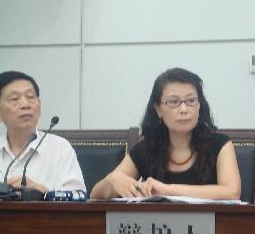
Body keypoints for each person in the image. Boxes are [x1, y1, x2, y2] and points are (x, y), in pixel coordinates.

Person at [90, 67, 241, 200]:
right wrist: (112, 179)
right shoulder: (146, 149)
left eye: (191, 100)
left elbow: (232, 192)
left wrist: (168, 190)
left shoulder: (219, 144)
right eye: (174, 102)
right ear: (158, 109)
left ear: (199, 105)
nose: (184, 109)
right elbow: (95, 195)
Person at [0, 71, 86, 194]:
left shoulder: (60, 149)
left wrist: (40, 192)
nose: (25, 105)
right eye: (14, 99)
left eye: (30, 97)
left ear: (39, 105)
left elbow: (78, 198)